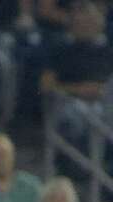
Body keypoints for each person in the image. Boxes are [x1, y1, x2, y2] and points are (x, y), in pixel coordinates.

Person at [40, 1, 113, 145]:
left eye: (90, 20)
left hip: (105, 105)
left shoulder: (109, 52)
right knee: (76, 114)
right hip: (71, 104)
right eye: (80, 20)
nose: (84, 24)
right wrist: (78, 90)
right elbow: (45, 86)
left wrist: (103, 91)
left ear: (100, 22)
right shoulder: (60, 51)